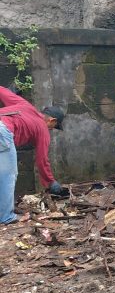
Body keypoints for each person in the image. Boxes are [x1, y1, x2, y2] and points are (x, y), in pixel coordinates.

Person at [0, 85, 66, 224]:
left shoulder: (24, 104)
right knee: (9, 175)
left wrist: (11, 90)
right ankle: (6, 217)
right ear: (52, 120)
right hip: (3, 130)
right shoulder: (43, 129)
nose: (52, 129)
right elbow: (42, 160)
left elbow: (2, 91)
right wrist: (50, 183)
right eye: (54, 126)